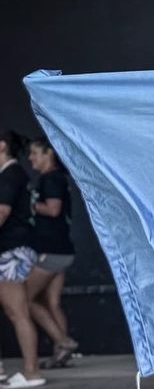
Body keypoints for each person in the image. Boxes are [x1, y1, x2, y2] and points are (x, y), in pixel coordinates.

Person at [27, 136, 78, 367]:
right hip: (62, 250)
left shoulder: (51, 179)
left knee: (25, 300)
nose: (31, 158)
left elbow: (53, 209)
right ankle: (61, 355)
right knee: (52, 301)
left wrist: (27, 204)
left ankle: (63, 342)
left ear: (49, 153)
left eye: (35, 153)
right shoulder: (56, 178)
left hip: (51, 251)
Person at [0, 130, 45, 389]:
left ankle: (32, 372)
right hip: (13, 250)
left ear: (2, 146)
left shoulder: (10, 174)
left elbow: (2, 213)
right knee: (16, 311)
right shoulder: (11, 174)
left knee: (18, 312)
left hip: (12, 252)